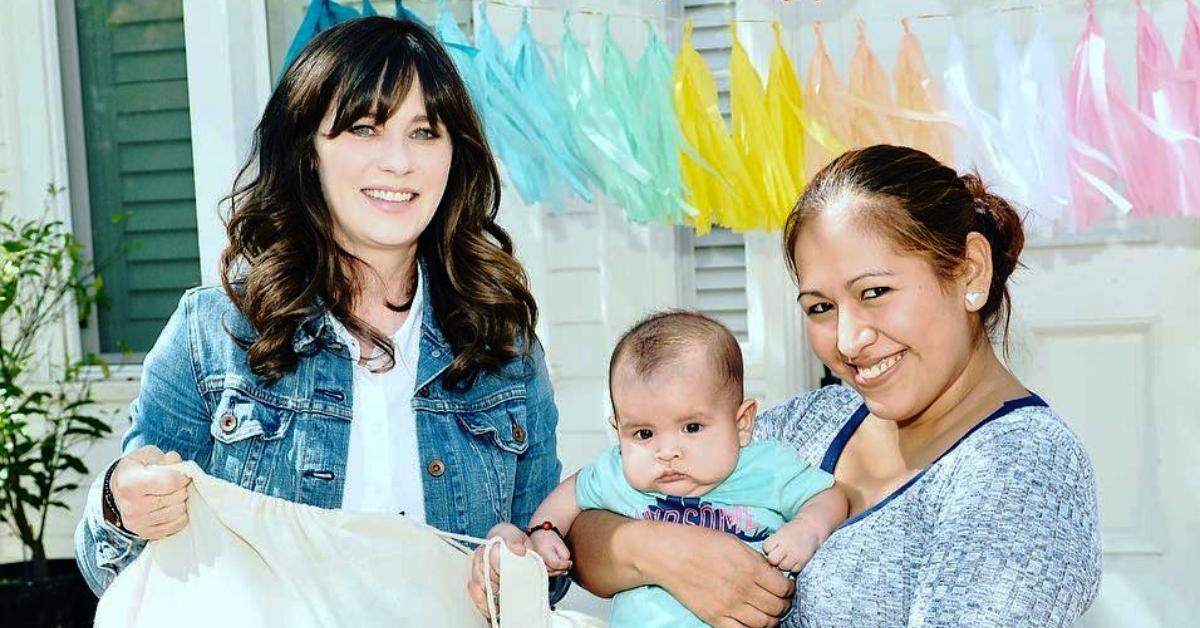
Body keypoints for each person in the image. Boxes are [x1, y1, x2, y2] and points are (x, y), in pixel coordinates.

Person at [74, 16, 562, 600]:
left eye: (425, 132)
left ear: (455, 154)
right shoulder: (213, 333)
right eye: (364, 128)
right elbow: (114, 570)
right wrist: (120, 503)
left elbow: (544, 565)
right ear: (310, 152)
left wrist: (524, 563)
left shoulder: (503, 344)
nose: (399, 161)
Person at [565, 145, 1102, 627]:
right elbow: (586, 530)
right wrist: (663, 552)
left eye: (874, 292)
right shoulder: (814, 422)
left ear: (970, 273)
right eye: (820, 307)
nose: (848, 340)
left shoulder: (1023, 466)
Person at [482, 311, 847, 626]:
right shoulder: (621, 474)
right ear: (617, 432)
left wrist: (807, 529)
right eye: (644, 433)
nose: (667, 451)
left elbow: (829, 496)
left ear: (742, 423)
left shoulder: (765, 467)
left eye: (692, 427)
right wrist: (545, 530)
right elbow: (571, 493)